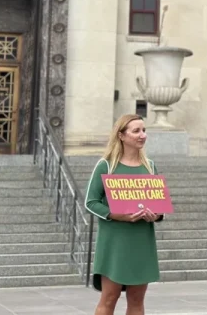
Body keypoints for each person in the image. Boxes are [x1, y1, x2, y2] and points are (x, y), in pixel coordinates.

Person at [85, 114, 163, 315]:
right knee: (109, 299)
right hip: (114, 241)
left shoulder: (150, 166)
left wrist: (156, 215)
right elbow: (91, 202)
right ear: (121, 135)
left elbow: (158, 205)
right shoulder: (106, 166)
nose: (142, 135)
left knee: (137, 301)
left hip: (141, 240)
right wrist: (116, 215)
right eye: (136, 131)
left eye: (144, 130)